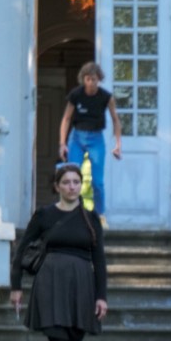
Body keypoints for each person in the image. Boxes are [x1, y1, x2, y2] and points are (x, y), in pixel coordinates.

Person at [10, 163, 108, 341]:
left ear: (80, 185)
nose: (72, 186)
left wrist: (101, 297)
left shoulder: (90, 217)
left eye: (76, 182)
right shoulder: (44, 215)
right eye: (66, 182)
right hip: (50, 284)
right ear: (57, 186)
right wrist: (16, 287)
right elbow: (21, 250)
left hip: (81, 286)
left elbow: (99, 260)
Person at [58, 61, 122, 227]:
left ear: (99, 79)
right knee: (71, 175)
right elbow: (66, 118)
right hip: (77, 137)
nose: (91, 83)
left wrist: (118, 144)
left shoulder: (105, 97)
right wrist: (62, 143)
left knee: (97, 182)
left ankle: (99, 215)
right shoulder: (76, 95)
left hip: (96, 138)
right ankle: (71, 212)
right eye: (88, 79)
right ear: (83, 79)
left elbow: (116, 119)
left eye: (94, 79)